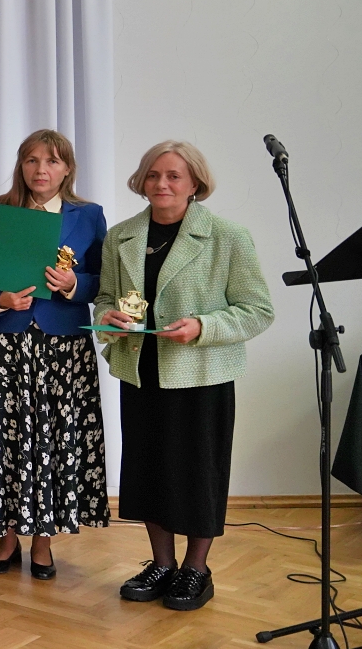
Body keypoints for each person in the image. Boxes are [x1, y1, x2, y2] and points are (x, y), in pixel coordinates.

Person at [97, 141, 273, 611]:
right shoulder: (122, 236)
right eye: (153, 175)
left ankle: (196, 568)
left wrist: (203, 327)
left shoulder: (227, 236)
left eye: (174, 176)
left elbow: (257, 311)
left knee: (199, 473)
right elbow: (104, 298)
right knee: (147, 470)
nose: (162, 184)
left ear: (195, 183)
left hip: (201, 376)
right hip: (140, 371)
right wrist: (108, 315)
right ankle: (161, 563)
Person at [0, 130, 109, 580]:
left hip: (64, 344)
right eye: (32, 160)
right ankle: (6, 538)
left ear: (67, 169)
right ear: (21, 165)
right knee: (3, 436)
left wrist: (76, 285)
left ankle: (43, 541)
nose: (42, 170)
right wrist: (0, 299)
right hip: (4, 340)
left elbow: (106, 279)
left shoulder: (89, 215)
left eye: (52, 161)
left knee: (55, 439)